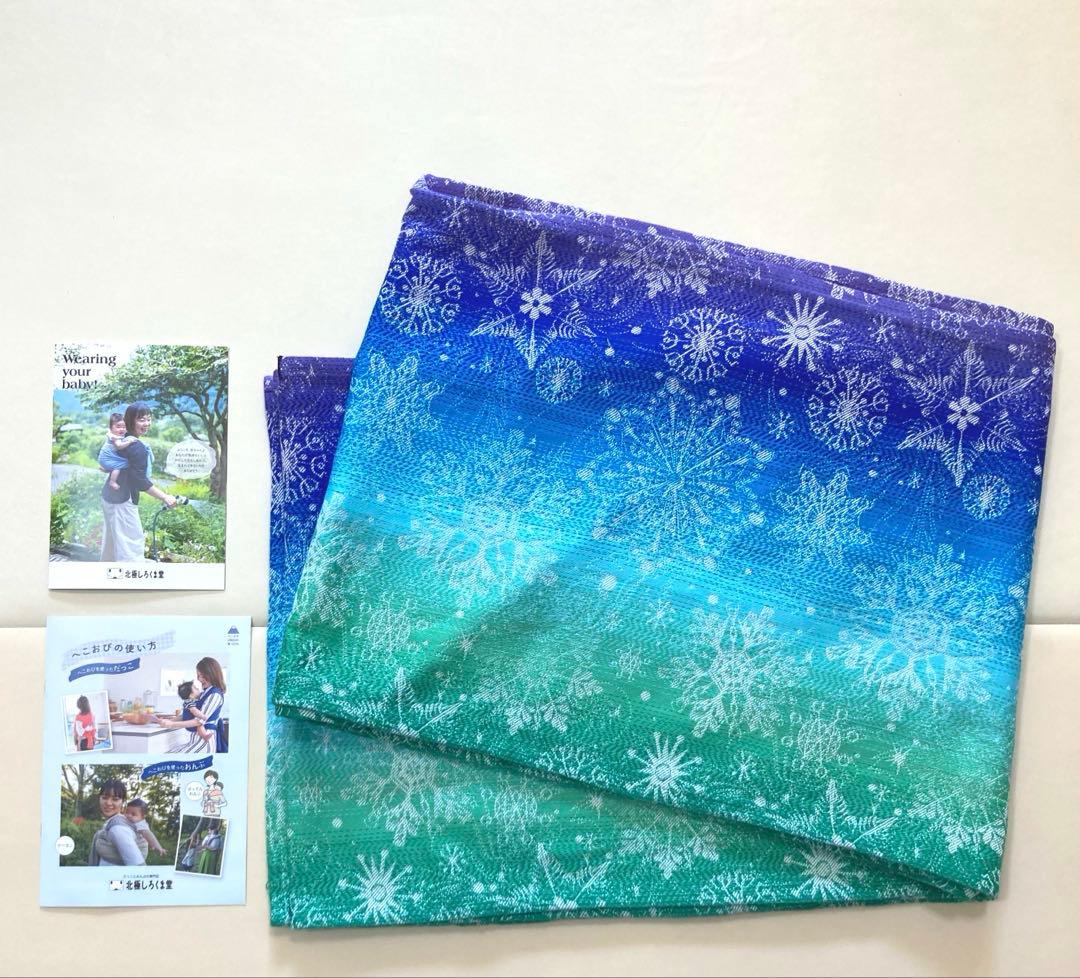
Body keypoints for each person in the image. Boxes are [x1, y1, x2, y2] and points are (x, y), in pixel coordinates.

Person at [99, 400, 176, 562]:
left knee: (111, 544)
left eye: (148, 419)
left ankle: (106, 576)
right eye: (141, 419)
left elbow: (110, 460)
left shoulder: (123, 438)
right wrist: (165, 497)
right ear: (130, 420)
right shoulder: (136, 446)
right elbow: (140, 481)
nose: (146, 423)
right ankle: (130, 578)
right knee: (130, 545)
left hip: (109, 496)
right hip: (122, 500)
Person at [157, 657, 226, 753]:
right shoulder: (204, 693)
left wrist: (172, 724)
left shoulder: (215, 694)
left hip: (204, 743)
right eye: (198, 675)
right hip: (196, 740)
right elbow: (187, 716)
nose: (199, 679)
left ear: (212, 674)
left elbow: (199, 721)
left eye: (202, 676)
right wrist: (168, 721)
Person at [87, 778, 146, 866]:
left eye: (115, 799)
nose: (108, 803)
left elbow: (138, 866)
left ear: (123, 802)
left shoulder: (118, 828)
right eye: (104, 797)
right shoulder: (112, 823)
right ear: (99, 798)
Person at [98, 412, 137, 491]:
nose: (121, 429)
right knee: (119, 465)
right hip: (106, 459)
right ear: (111, 428)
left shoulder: (112, 434)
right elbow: (119, 446)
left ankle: (106, 469)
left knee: (120, 463)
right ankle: (112, 482)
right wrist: (129, 442)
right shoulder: (115, 437)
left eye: (124, 427)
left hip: (105, 458)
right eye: (118, 426)